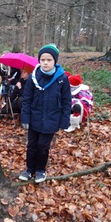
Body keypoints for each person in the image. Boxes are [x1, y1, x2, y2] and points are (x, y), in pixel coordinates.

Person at [19, 44, 71, 183]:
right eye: (43, 60)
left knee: (43, 146)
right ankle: (30, 170)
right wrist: (25, 117)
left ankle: (41, 170)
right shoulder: (33, 78)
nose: (46, 62)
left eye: (49, 60)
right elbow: (27, 99)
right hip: (35, 118)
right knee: (32, 145)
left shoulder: (62, 79)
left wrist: (64, 121)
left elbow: (66, 101)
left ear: (55, 61)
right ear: (39, 61)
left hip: (52, 119)